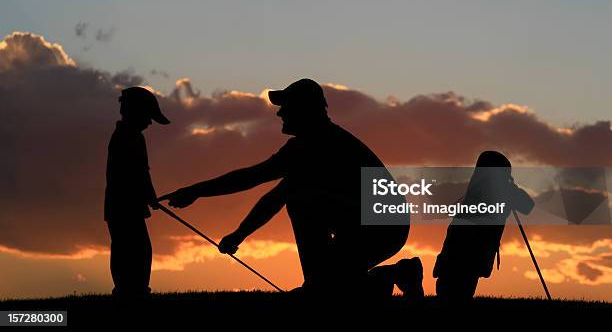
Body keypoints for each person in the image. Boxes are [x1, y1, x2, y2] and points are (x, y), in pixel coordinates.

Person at [160, 78, 416, 296]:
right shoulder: (314, 142)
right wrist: (238, 234)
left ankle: (319, 283)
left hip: (380, 228)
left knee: (302, 203)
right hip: (381, 227)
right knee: (334, 291)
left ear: (304, 110)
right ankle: (395, 274)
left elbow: (253, 178)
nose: (280, 113)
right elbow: (274, 194)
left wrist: (196, 192)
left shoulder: (313, 144)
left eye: (286, 107)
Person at [433, 151, 534, 300]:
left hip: (457, 251)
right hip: (471, 253)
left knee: (452, 291)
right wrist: (511, 188)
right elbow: (528, 206)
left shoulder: (475, 190)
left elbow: (527, 206)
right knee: (460, 291)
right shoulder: (500, 191)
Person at [104, 86, 170, 298]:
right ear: (134, 112)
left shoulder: (133, 137)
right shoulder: (124, 137)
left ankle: (135, 291)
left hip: (127, 206)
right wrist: (146, 195)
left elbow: (142, 172)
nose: (150, 123)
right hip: (122, 206)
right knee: (130, 249)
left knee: (138, 249)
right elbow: (131, 174)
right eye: (148, 117)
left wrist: (149, 195)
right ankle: (129, 292)